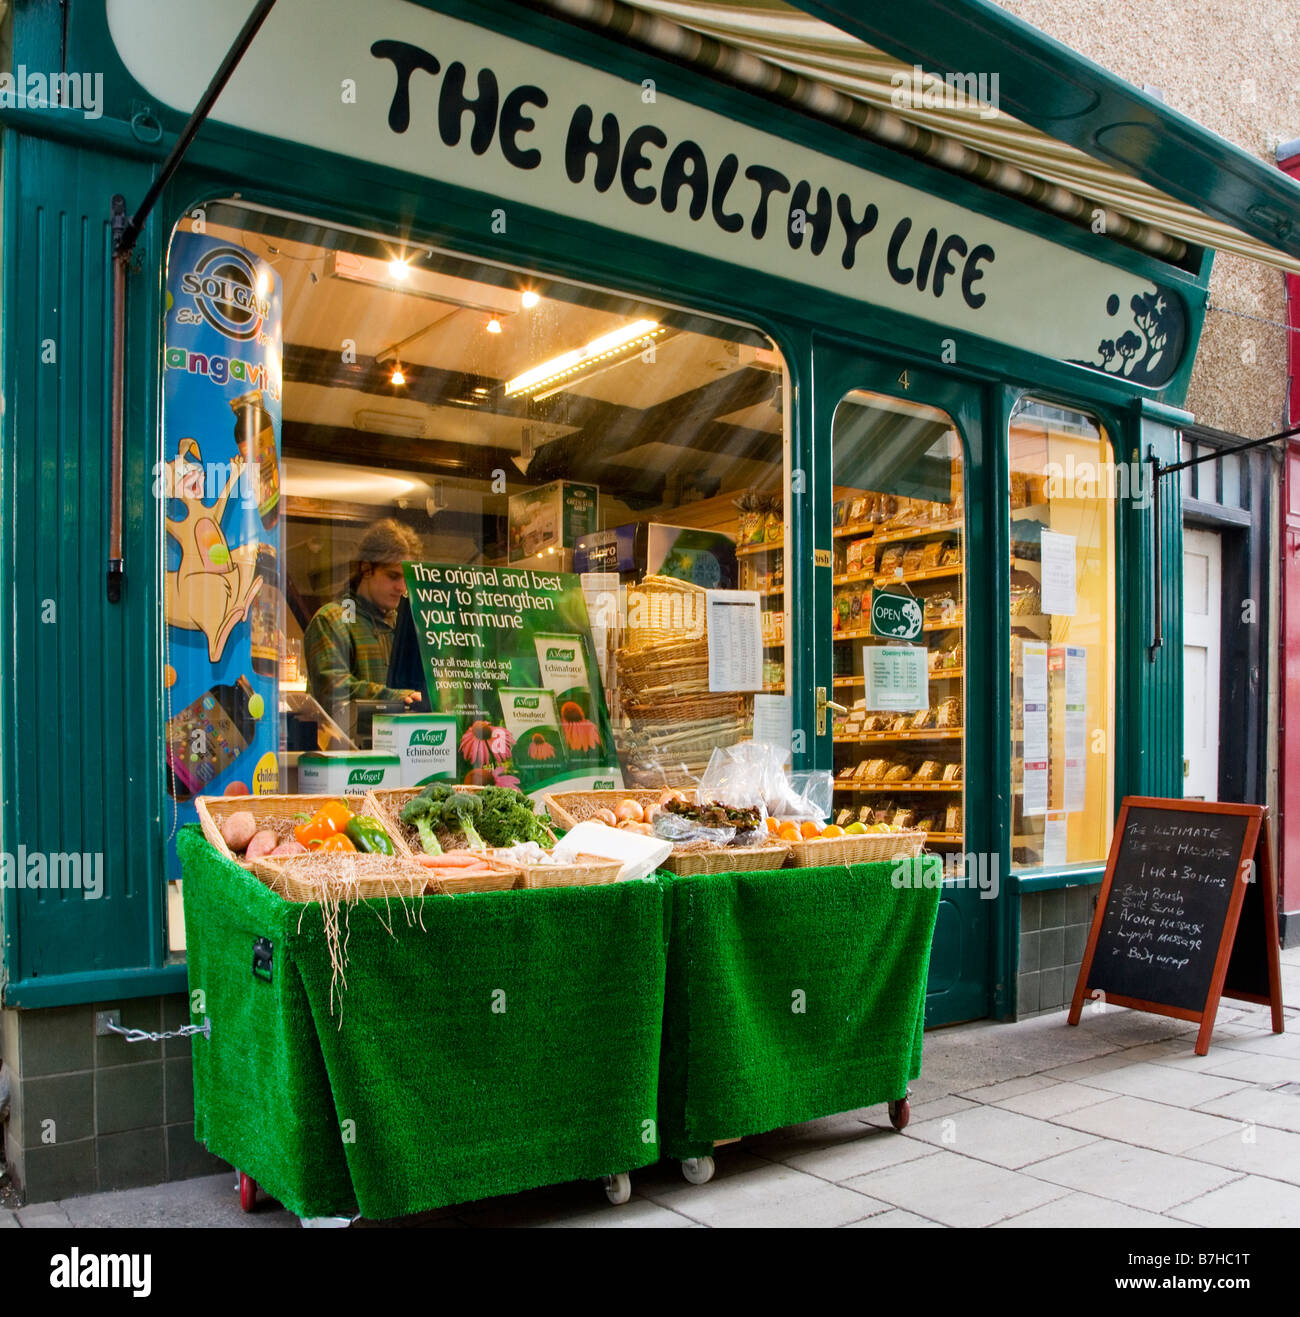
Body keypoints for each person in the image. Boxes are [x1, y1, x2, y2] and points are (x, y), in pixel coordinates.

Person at [304, 517, 425, 742]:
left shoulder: (406, 624)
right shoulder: (334, 619)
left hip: (406, 751)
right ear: (366, 568)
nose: (402, 587)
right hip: (349, 759)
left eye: (407, 577)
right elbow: (333, 691)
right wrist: (396, 697)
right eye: (393, 576)